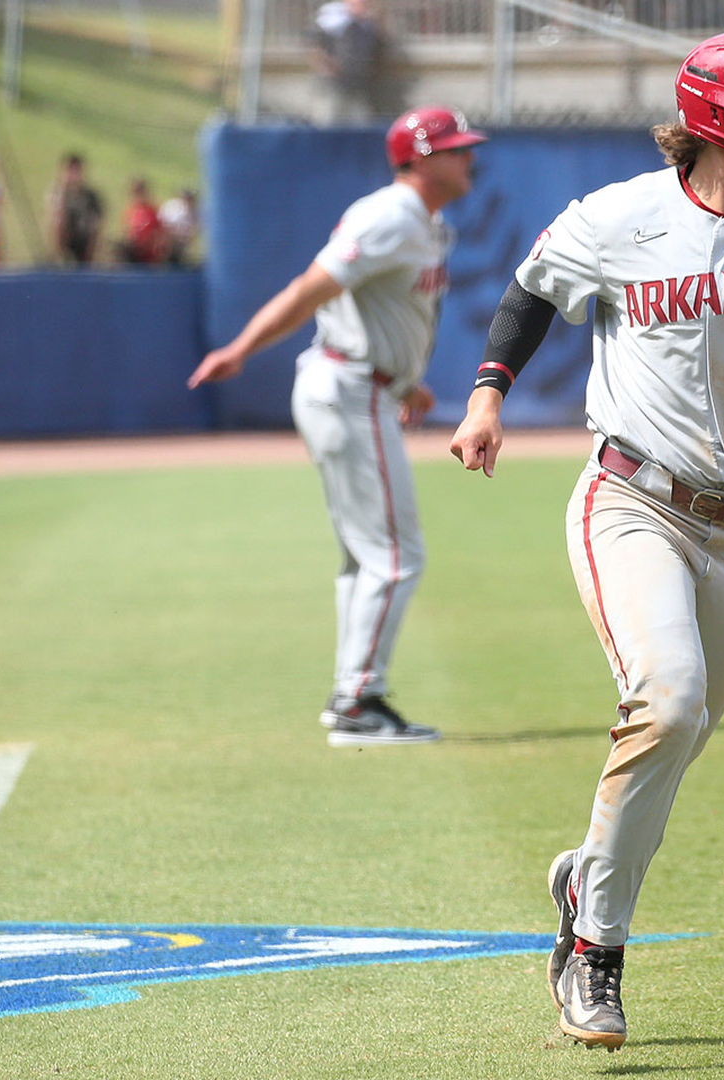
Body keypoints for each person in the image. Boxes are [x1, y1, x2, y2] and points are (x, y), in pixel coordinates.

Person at [449, 31, 724, 1052]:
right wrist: (487, 396)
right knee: (669, 701)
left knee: (678, 737)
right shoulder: (620, 217)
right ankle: (595, 952)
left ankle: (583, 878)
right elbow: (529, 289)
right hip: (634, 501)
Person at [187, 105, 485, 748]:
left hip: (366, 386)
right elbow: (311, 288)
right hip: (347, 388)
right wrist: (241, 348)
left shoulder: (428, 224)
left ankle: (353, 695)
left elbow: (385, 314)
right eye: (457, 148)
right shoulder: (388, 215)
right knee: (398, 558)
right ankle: (357, 703)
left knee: (365, 557)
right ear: (422, 157)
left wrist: (408, 383)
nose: (470, 157)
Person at [310, 0, 387, 125]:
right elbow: (317, 48)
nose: (360, 7)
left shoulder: (368, 28)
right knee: (330, 120)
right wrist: (328, 67)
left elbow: (377, 51)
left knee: (361, 121)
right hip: (335, 83)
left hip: (360, 84)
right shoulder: (332, 24)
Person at [46, 152, 104, 266]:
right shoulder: (58, 193)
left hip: (84, 240)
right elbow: (52, 217)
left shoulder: (90, 196)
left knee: (94, 228)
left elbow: (97, 223)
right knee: (59, 220)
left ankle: (86, 264)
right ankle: (58, 258)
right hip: (65, 240)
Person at [114, 176, 167, 265]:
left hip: (149, 255)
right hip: (132, 253)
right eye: (135, 191)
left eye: (140, 191)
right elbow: (126, 230)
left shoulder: (152, 210)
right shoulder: (130, 210)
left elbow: (160, 234)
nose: (138, 194)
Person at [159, 187, 200, 266]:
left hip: (183, 243)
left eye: (190, 198)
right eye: (186, 197)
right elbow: (163, 224)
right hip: (168, 240)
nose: (188, 200)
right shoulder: (172, 207)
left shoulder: (197, 212)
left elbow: (194, 231)